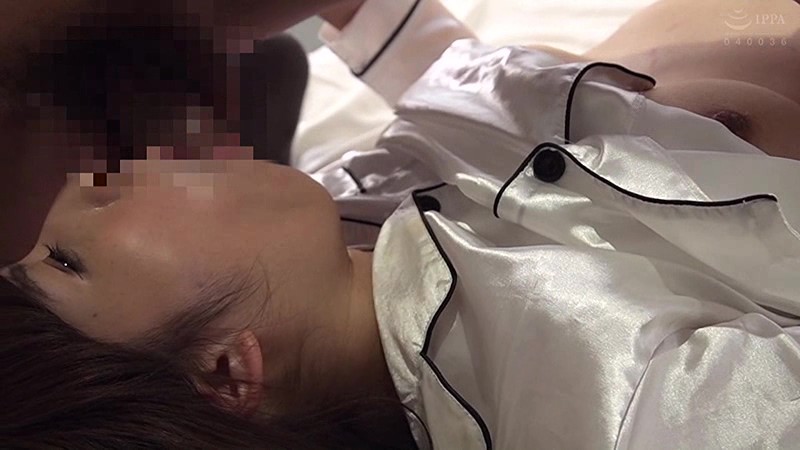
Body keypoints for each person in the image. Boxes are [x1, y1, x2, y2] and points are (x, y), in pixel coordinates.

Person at [2, 0, 800, 448]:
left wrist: (356, 8)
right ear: (227, 374)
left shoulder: (346, 214)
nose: (83, 186)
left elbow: (457, 118)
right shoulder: (607, 407)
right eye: (65, 261)